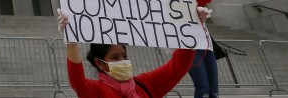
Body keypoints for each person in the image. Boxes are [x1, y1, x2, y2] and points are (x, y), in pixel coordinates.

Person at [58, 7, 212, 98]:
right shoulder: (96, 91)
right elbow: (77, 80)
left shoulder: (144, 84)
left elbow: (177, 67)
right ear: (99, 63)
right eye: (114, 57)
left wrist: (193, 29)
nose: (123, 61)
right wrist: (71, 41)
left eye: (124, 56)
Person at [190, 0, 222, 98]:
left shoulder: (194, 1)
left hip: (206, 47)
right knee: (203, 87)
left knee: (213, 90)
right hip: (190, 49)